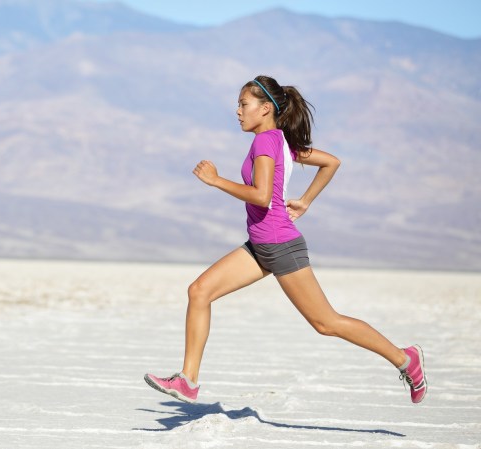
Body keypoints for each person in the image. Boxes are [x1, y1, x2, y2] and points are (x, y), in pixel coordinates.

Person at [144, 75, 427, 405]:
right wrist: (304, 201)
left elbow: (262, 197)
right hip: (261, 245)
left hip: (279, 245)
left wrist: (216, 180)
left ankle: (406, 360)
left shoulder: (266, 142)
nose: (237, 111)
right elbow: (331, 162)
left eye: (243, 105)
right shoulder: (279, 141)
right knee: (200, 291)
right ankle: (188, 381)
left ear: (265, 109)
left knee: (326, 323)